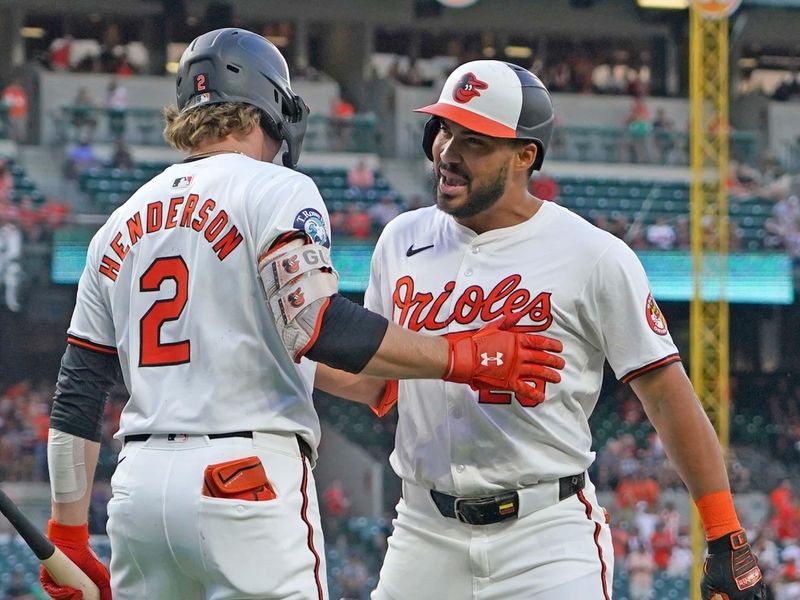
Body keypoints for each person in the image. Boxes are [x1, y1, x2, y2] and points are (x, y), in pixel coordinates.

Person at [40, 30, 565, 600]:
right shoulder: (275, 186)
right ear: (271, 106)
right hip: (243, 479)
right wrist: (464, 356)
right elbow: (318, 324)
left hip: (138, 492)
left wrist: (67, 531)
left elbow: (79, 390)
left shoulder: (119, 220)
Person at [320, 60, 766, 599]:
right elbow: (376, 382)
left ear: (525, 155)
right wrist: (284, 352)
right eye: (443, 129)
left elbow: (667, 396)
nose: (447, 152)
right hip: (423, 530)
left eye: (475, 140)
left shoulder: (592, 254)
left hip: (545, 538)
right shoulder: (400, 239)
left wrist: (724, 533)